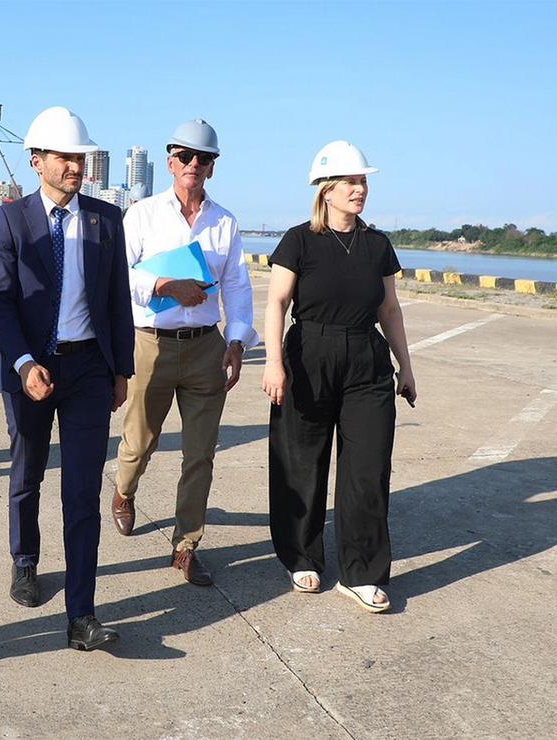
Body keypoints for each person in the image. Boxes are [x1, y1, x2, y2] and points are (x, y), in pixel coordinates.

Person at [0, 106, 134, 651]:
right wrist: (24, 363)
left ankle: (82, 614)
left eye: (81, 158)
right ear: (36, 161)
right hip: (30, 368)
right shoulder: (9, 220)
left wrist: (122, 370)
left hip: (89, 368)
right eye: (65, 158)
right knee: (28, 473)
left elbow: (118, 300)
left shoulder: (105, 221)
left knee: (82, 493)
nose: (76, 167)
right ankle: (25, 560)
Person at [261, 141, 416, 612]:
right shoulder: (299, 240)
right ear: (325, 190)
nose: (359, 189)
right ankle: (303, 555)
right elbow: (277, 303)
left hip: (366, 358)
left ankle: (362, 572)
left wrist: (405, 366)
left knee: (368, 468)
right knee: (302, 462)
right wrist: (273, 362)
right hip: (309, 353)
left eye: (363, 181)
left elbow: (389, 308)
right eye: (350, 181)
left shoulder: (377, 245)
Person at [112, 119, 258, 586]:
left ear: (212, 168)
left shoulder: (225, 222)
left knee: (200, 453)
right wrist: (162, 284)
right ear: (170, 161)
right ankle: (124, 489)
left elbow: (236, 284)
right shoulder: (142, 215)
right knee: (141, 441)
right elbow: (120, 276)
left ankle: (186, 544)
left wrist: (236, 340)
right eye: (185, 156)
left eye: (204, 158)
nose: (194, 164)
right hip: (149, 344)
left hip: (205, 349)